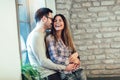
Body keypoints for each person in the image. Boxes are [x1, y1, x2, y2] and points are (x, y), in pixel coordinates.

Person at [26, 8, 75, 80]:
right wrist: (65, 68)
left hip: (52, 71)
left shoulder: (45, 33)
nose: (52, 22)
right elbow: (43, 62)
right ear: (44, 19)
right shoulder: (35, 36)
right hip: (45, 75)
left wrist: (76, 55)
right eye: (51, 19)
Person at [46, 14, 87, 80]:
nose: (57, 23)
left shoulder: (67, 38)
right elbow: (54, 58)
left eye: (60, 20)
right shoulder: (51, 38)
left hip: (77, 69)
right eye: (55, 21)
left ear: (64, 23)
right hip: (65, 72)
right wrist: (69, 61)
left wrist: (77, 59)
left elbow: (74, 52)